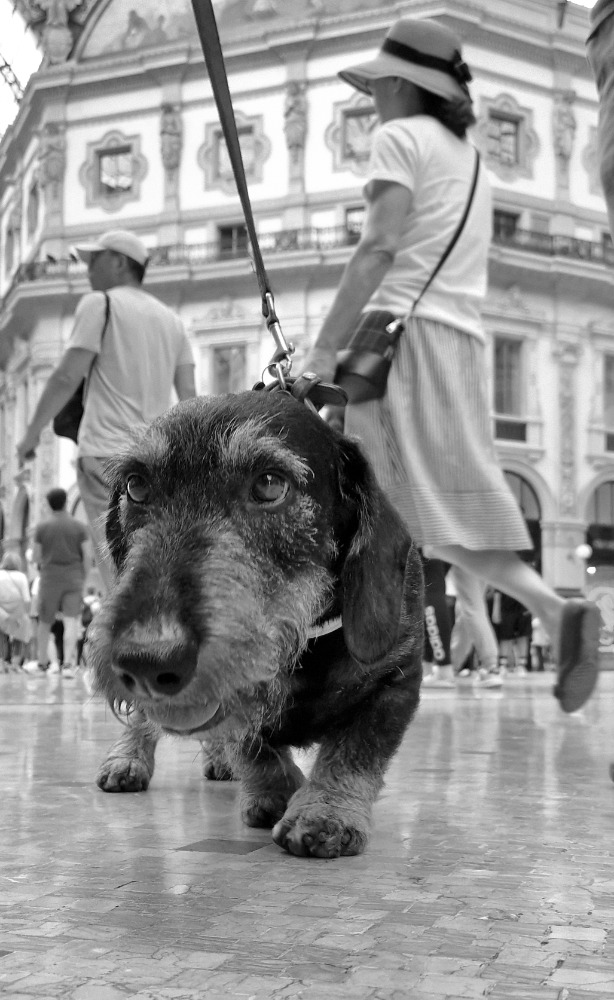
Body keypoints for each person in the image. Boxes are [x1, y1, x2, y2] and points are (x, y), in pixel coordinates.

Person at [300, 16, 601, 714]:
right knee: (432, 508)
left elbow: (377, 248)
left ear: (404, 85)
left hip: (401, 339)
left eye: (379, 85)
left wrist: (322, 346)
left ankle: (341, 662)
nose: (374, 98)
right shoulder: (473, 164)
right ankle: (554, 614)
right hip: (461, 341)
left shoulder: (398, 138)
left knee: (381, 503)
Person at [16, 230, 196, 590]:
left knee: (115, 565)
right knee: (147, 557)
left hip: (103, 454)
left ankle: (123, 640)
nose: (88, 269)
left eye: (94, 260)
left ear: (119, 263)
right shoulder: (172, 322)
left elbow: (68, 375)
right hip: (153, 459)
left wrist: (31, 433)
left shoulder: (100, 304)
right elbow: (190, 397)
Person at [23, 488, 88, 677]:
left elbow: (35, 556)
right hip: (73, 578)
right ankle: (68, 665)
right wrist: (82, 578)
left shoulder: (42, 527)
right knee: (70, 622)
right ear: (66, 502)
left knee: (45, 622)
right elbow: (87, 555)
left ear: (49, 504)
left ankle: (43, 663)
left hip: (49, 578)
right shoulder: (78, 526)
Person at [0, 552, 31, 671]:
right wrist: (26, 614)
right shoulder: (21, 576)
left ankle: (1, 663)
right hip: (18, 610)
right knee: (19, 636)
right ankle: (15, 663)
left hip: (1, 610)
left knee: (1, 636)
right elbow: (26, 598)